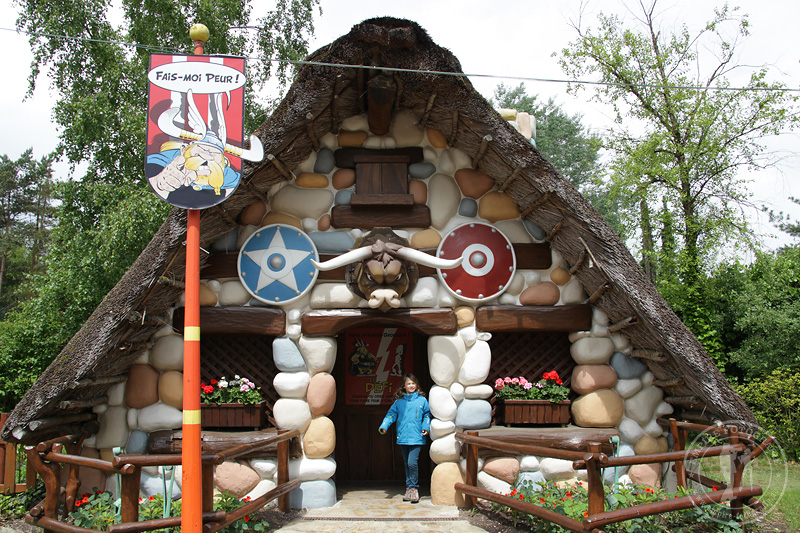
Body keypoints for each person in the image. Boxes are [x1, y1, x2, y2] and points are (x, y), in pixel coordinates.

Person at [378, 373, 430, 503]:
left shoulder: (422, 401)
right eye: (408, 384)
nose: (411, 386)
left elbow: (427, 415)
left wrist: (426, 427)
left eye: (413, 383)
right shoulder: (399, 402)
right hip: (403, 436)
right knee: (407, 464)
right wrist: (384, 426)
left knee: (412, 463)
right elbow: (391, 415)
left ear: (416, 385)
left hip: (417, 436)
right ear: (404, 386)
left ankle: (414, 488)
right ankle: (409, 488)